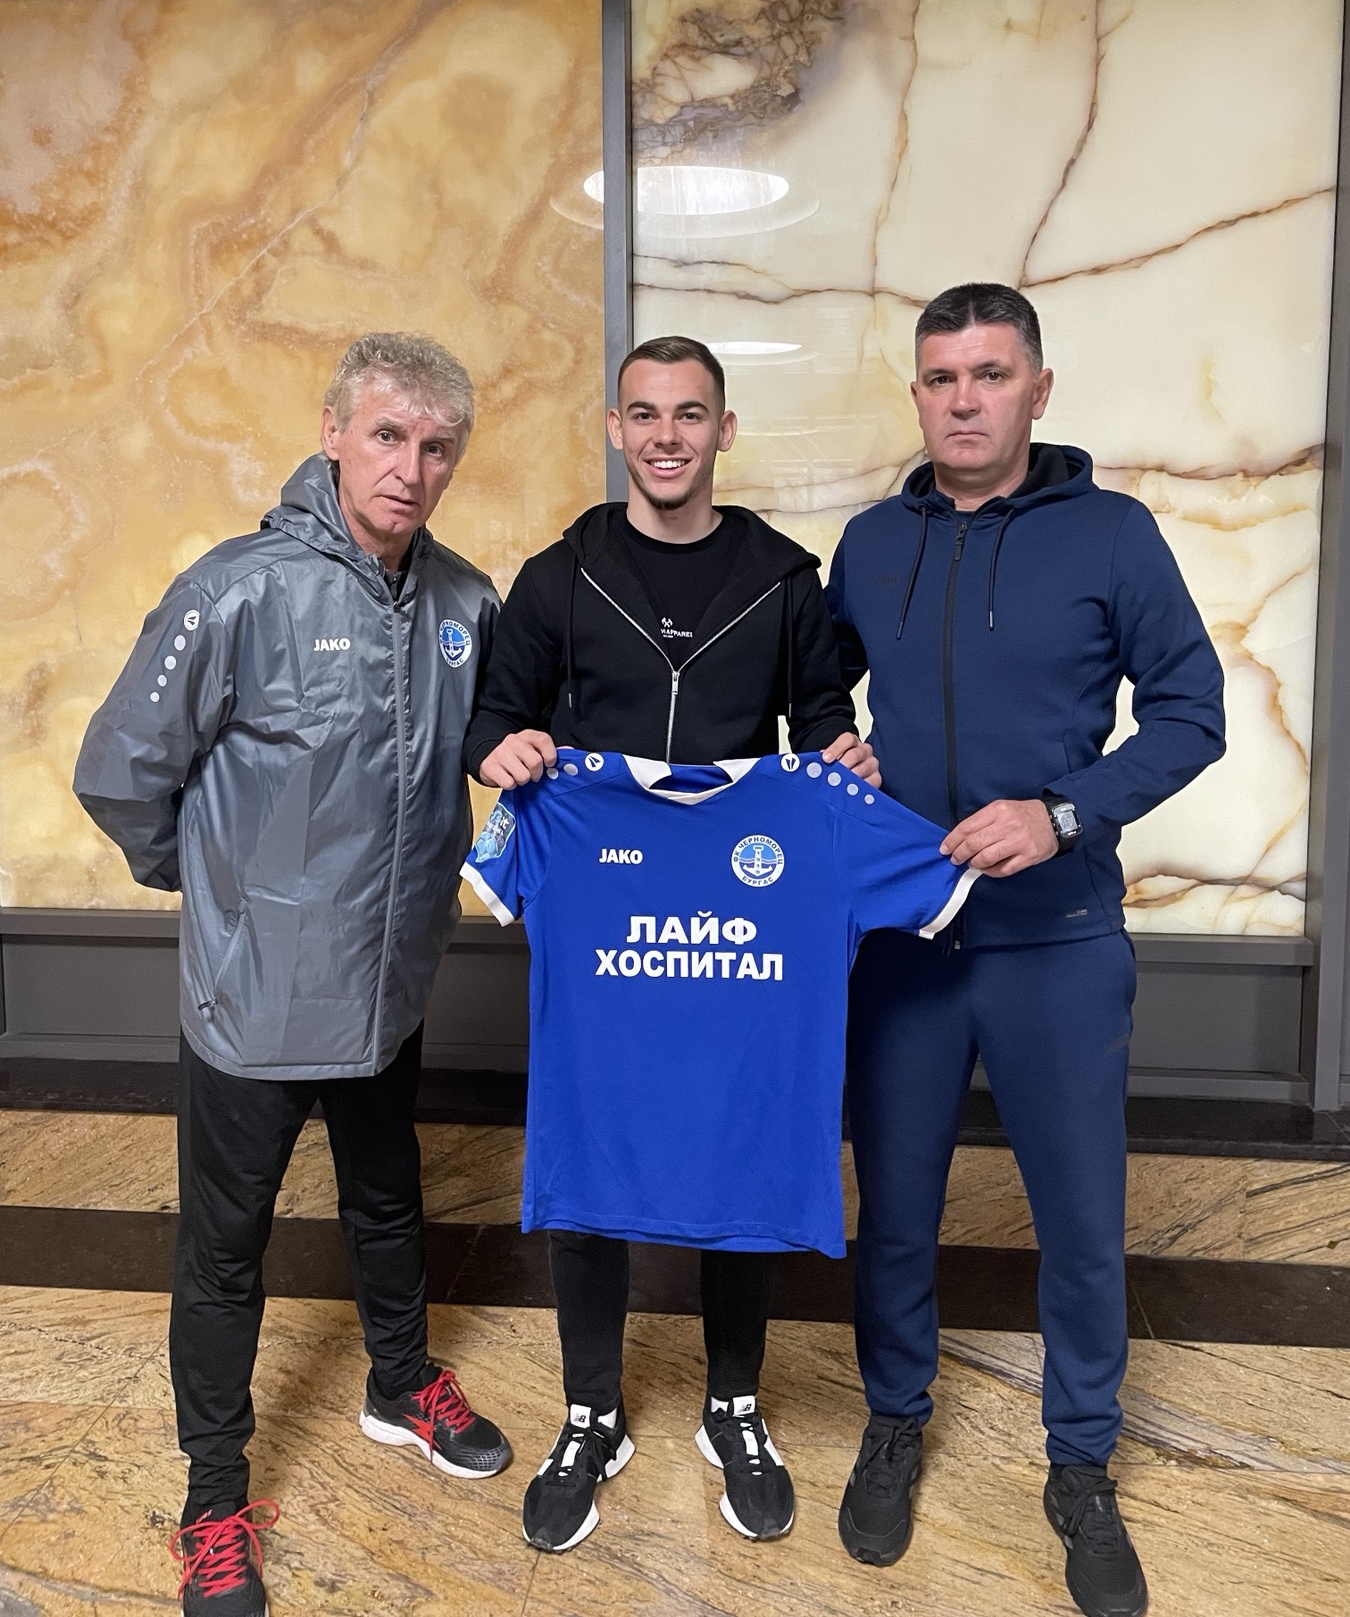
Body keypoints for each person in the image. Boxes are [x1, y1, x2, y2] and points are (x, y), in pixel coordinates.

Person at [74, 333, 512, 1617]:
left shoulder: (466, 604)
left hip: (389, 994)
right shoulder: (237, 591)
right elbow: (119, 771)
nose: (410, 469)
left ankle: (400, 1383)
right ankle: (214, 1500)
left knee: (387, 1201)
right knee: (225, 1253)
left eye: (436, 447)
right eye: (387, 437)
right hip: (253, 1003)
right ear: (332, 433)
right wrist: (218, 895)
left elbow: (493, 759)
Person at [827, 284, 1225, 1617]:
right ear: (918, 394)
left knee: (1081, 1225)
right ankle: (895, 1420)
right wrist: (835, 749)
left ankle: (1081, 1463)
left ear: (1037, 390)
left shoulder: (1112, 535)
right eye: (941, 378)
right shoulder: (869, 544)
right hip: (907, 944)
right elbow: (817, 694)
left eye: (989, 375)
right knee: (894, 1210)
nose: (963, 400)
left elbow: (1192, 712)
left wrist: (1062, 813)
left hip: (1058, 942)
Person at [464, 333, 880, 1554]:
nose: (665, 436)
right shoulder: (562, 574)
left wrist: (843, 756)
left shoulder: (782, 577)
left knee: (741, 1136)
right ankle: (591, 1410)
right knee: (593, 1138)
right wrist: (500, 750)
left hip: (742, 919)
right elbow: (492, 715)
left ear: (723, 431)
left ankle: (732, 1403)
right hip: (608, 915)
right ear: (614, 428)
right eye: (643, 414)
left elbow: (824, 720)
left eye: (689, 414)